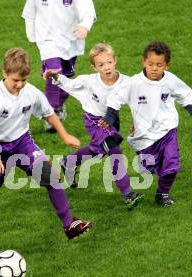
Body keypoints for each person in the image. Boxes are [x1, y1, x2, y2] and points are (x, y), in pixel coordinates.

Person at [0, 48, 93, 240]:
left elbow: (48, 113)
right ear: (4, 73)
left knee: (50, 176)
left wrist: (65, 135)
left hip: (22, 143)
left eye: (23, 80)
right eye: (15, 80)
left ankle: (69, 225)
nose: (19, 85)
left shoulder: (31, 93)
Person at [100, 41, 192, 206]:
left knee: (172, 164)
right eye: (151, 64)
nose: (154, 68)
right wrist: (109, 119)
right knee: (150, 167)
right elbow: (115, 99)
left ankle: (162, 194)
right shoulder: (134, 83)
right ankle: (155, 178)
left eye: (159, 65)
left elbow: (184, 95)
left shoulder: (170, 81)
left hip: (168, 130)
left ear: (167, 66)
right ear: (144, 62)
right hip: (145, 136)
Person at [43, 43, 144, 210]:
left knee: (97, 149)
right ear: (94, 67)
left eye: (109, 62)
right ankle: (128, 194)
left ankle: (69, 162)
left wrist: (136, 122)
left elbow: (137, 103)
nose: (106, 67)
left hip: (111, 121)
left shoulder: (127, 82)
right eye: (101, 65)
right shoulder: (89, 81)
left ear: (115, 60)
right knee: (113, 150)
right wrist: (55, 76)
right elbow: (69, 84)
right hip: (94, 121)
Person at [22, 0, 96, 131]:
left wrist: (85, 25)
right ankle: (51, 115)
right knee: (54, 71)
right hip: (46, 39)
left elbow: (87, 9)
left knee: (65, 77)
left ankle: (59, 105)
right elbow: (29, 13)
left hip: (71, 40)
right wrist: (32, 36)